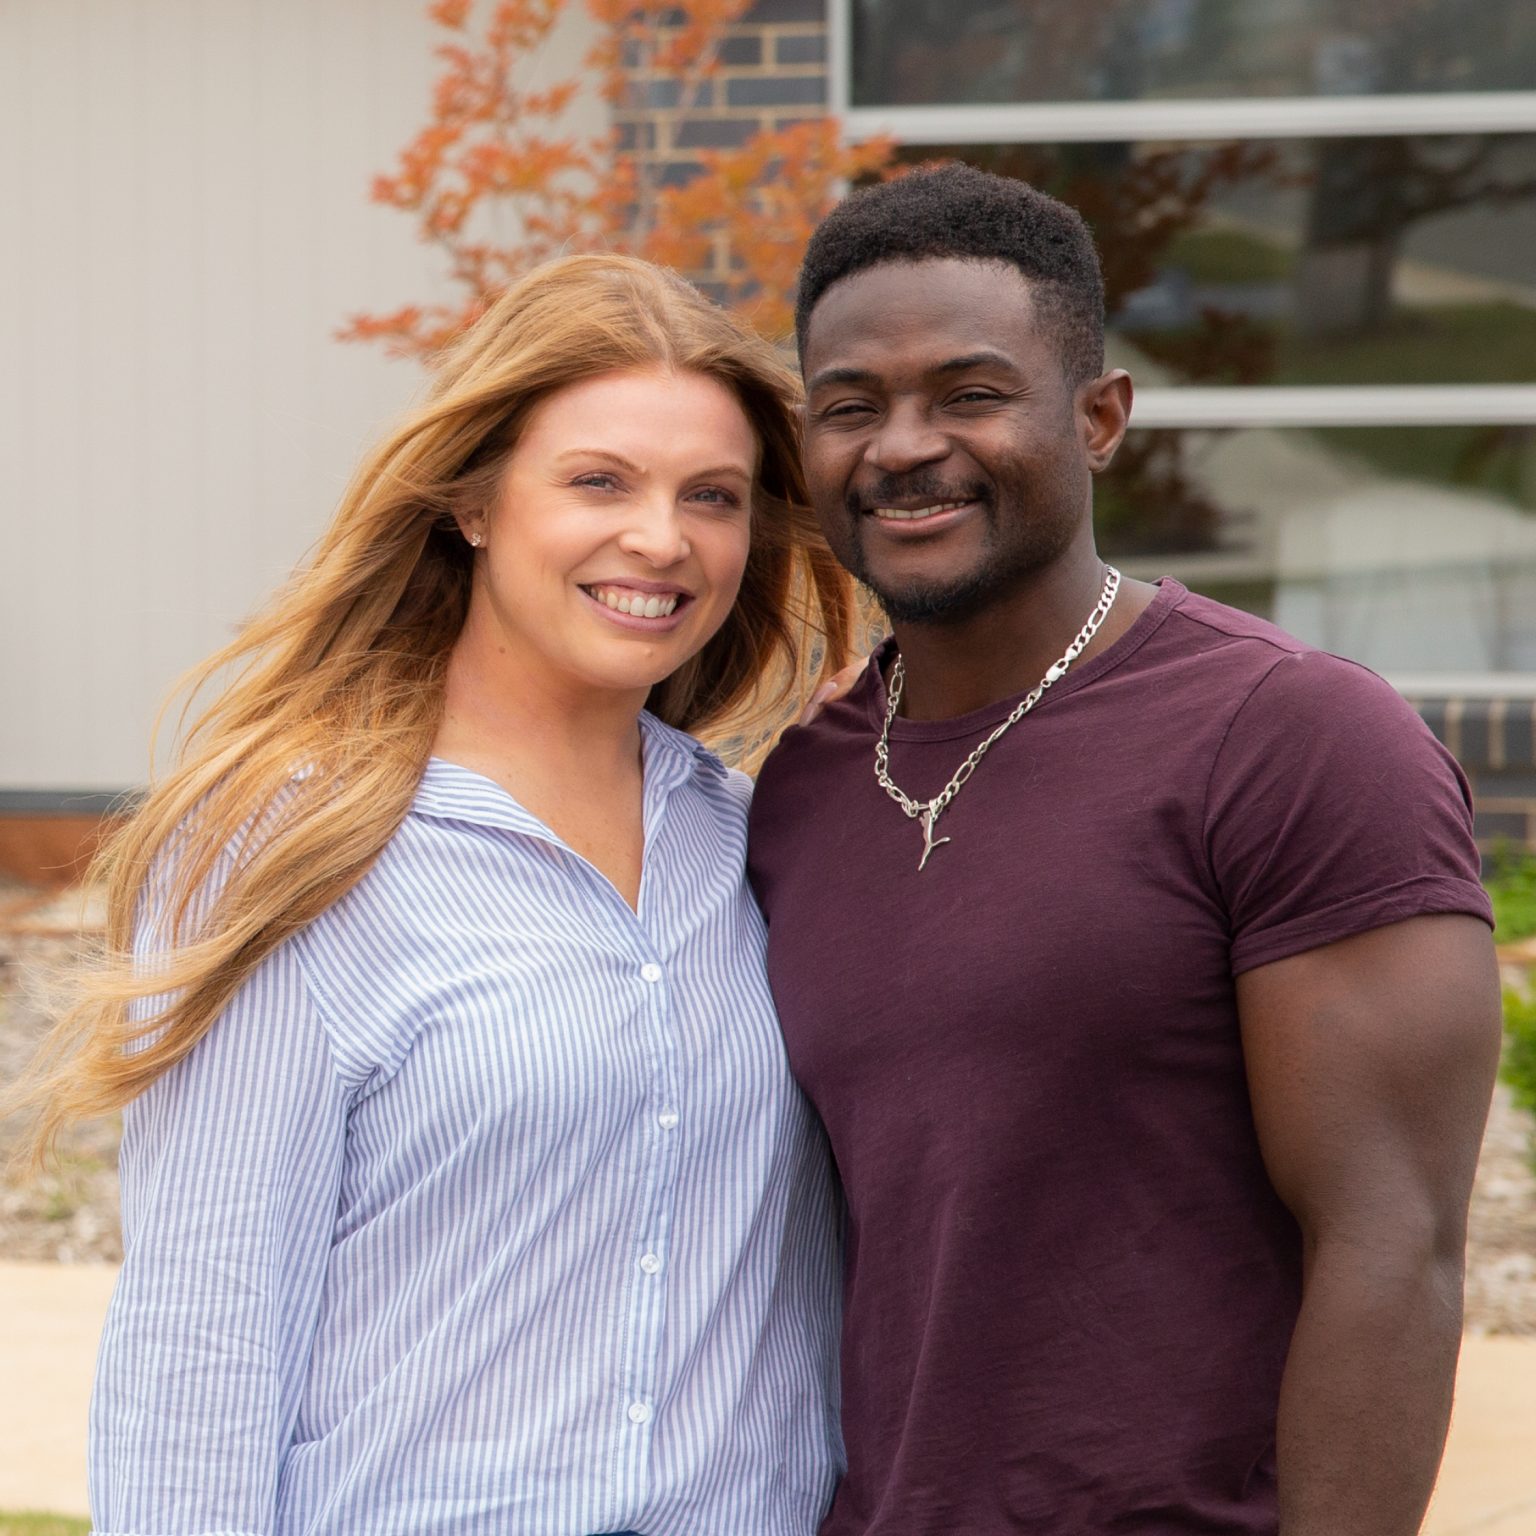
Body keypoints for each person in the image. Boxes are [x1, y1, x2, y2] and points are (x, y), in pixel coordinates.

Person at [16, 253, 853, 1536]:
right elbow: (204, 1339)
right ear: (471, 500)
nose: (663, 538)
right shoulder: (293, 847)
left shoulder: (754, 844)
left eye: (713, 496)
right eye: (598, 481)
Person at [747, 164, 1503, 1536]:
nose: (902, 447)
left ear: (1098, 420)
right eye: (850, 406)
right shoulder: (800, 786)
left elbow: (1391, 1247)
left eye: (969, 394)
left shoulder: (1292, 739)